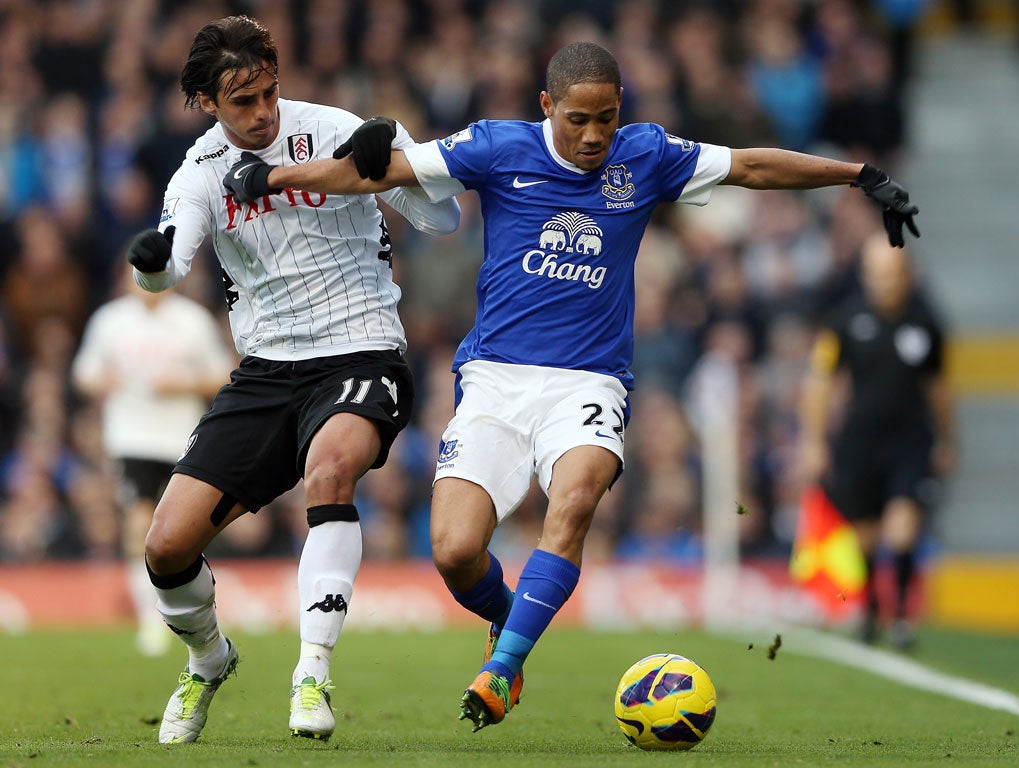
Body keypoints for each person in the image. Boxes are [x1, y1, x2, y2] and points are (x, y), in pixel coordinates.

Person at [224, 40, 920, 731]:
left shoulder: (646, 154)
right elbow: (385, 172)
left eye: (606, 119)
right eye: (577, 120)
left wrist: (858, 174)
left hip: (590, 381)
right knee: (455, 552)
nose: (593, 136)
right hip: (495, 381)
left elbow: (753, 168)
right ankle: (509, 625)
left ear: (621, 110)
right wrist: (276, 179)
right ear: (547, 106)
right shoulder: (498, 147)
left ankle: (501, 672)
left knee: (576, 497)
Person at [126, 15, 460, 744]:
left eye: (270, 93)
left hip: (363, 352)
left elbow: (444, 216)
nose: (263, 112)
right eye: (243, 102)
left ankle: (312, 671)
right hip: (267, 372)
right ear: (209, 102)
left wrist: (389, 166)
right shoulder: (200, 174)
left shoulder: (335, 128)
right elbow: (170, 266)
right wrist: (150, 263)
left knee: (330, 470)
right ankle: (209, 661)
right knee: (165, 547)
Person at [799, 232, 954, 649]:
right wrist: (814, 441)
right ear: (867, 276)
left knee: (902, 532)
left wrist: (947, 440)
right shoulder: (845, 321)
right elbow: (820, 381)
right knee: (865, 535)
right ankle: (869, 609)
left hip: (910, 442)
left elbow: (937, 388)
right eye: (879, 274)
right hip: (860, 441)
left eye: (894, 274)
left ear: (908, 275)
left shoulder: (926, 325)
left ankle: (901, 616)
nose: (887, 283)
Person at [72, 265, 233, 657]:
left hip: (183, 437)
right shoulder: (110, 321)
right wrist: (103, 381)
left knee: (185, 529)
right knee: (140, 520)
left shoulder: (191, 321)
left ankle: (193, 615)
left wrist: (184, 384)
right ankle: (151, 618)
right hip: (132, 437)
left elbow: (223, 375)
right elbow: (83, 374)